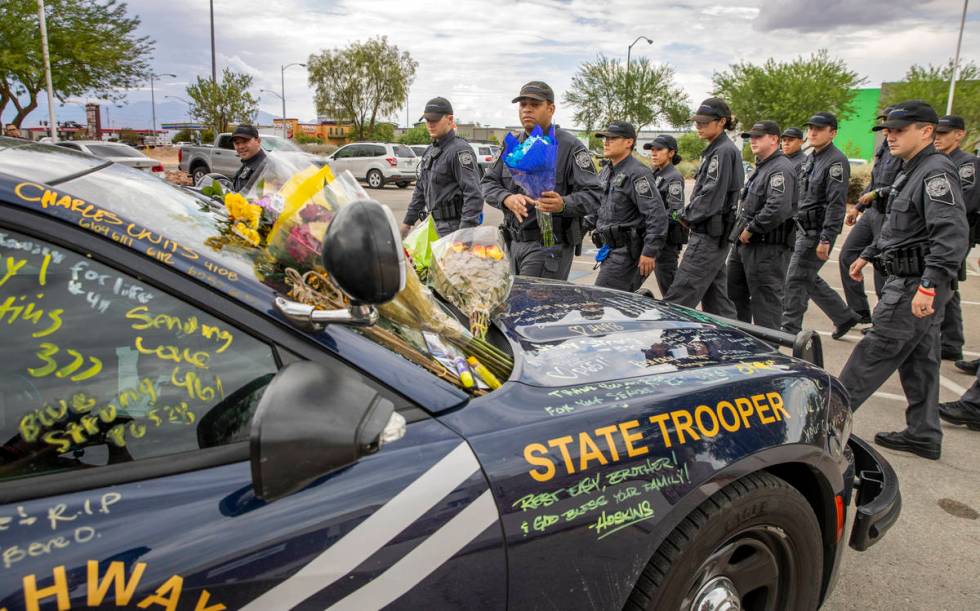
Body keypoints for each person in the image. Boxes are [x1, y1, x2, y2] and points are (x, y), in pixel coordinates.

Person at [839, 100, 969, 460]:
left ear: (926, 131)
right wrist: (869, 254)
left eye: (899, 130)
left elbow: (951, 235)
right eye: (889, 131)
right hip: (911, 278)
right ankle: (923, 433)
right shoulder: (911, 168)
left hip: (915, 285)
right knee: (922, 360)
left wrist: (929, 284)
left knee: (872, 355)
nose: (891, 136)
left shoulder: (935, 172)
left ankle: (821, 428)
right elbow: (905, 227)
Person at [482, 81, 601, 279]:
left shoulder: (569, 146)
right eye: (523, 105)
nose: (527, 109)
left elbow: (595, 195)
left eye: (534, 104)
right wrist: (506, 198)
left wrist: (563, 204)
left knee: (533, 306)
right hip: (513, 244)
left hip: (548, 247)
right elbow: (487, 183)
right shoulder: (511, 145)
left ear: (551, 108)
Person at [781, 112, 862, 338]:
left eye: (819, 129)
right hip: (803, 228)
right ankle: (844, 316)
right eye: (811, 128)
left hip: (817, 232)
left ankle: (789, 330)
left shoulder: (836, 161)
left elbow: (836, 204)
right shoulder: (811, 158)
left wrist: (826, 238)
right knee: (807, 276)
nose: (813, 133)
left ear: (833, 133)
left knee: (795, 278)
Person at [663, 98, 742, 317]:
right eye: (697, 122)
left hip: (708, 237)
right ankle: (732, 345)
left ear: (721, 122)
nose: (699, 126)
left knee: (678, 300)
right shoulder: (718, 149)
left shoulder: (723, 152)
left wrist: (684, 215)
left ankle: (660, 347)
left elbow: (711, 196)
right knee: (717, 303)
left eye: (704, 122)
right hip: (712, 236)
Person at [727, 121, 798, 329]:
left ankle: (769, 355)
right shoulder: (763, 167)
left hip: (767, 248)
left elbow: (778, 207)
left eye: (759, 137)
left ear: (774, 139)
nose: (753, 141)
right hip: (746, 246)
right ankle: (741, 345)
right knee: (735, 296)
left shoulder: (780, 169)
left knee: (765, 305)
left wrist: (752, 228)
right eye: (751, 137)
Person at [839, 108, 901, 327]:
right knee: (847, 256)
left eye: (889, 123)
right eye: (884, 122)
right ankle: (859, 312)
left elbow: (902, 184)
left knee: (881, 267)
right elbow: (875, 181)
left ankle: (882, 321)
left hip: (889, 213)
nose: (886, 128)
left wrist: (876, 194)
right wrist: (857, 207)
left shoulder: (903, 151)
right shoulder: (884, 149)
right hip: (872, 211)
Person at [590, 121, 668, 291]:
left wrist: (649, 252)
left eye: (612, 138)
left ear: (629, 142)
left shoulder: (638, 173)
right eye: (605, 138)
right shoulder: (606, 171)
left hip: (627, 254)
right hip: (609, 250)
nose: (606, 142)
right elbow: (597, 206)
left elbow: (656, 215)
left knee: (599, 303)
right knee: (614, 307)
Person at [401, 97, 484, 238]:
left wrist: (463, 235)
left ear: (450, 120)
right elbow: (420, 189)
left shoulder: (460, 151)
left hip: (454, 229)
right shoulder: (429, 152)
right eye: (427, 120)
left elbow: (474, 195)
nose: (430, 124)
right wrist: (408, 222)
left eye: (435, 120)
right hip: (433, 226)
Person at [934, 115, 980, 362]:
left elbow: (966, 201)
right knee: (949, 286)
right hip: (942, 232)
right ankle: (952, 341)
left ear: (959, 134)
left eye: (943, 134)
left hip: (955, 233)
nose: (937, 138)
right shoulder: (939, 161)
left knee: (944, 284)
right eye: (936, 134)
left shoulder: (967, 163)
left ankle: (948, 341)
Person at [644, 135, 687, 296]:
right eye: (652, 150)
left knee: (669, 289)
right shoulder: (654, 173)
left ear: (671, 153)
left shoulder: (673, 177)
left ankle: (678, 319)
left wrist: (655, 224)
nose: (654, 153)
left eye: (659, 149)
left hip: (666, 242)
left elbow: (676, 212)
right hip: (653, 239)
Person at [230, 125, 268, 193]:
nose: (241, 146)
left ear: (258, 141)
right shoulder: (248, 163)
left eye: (245, 141)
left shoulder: (267, 167)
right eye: (237, 143)